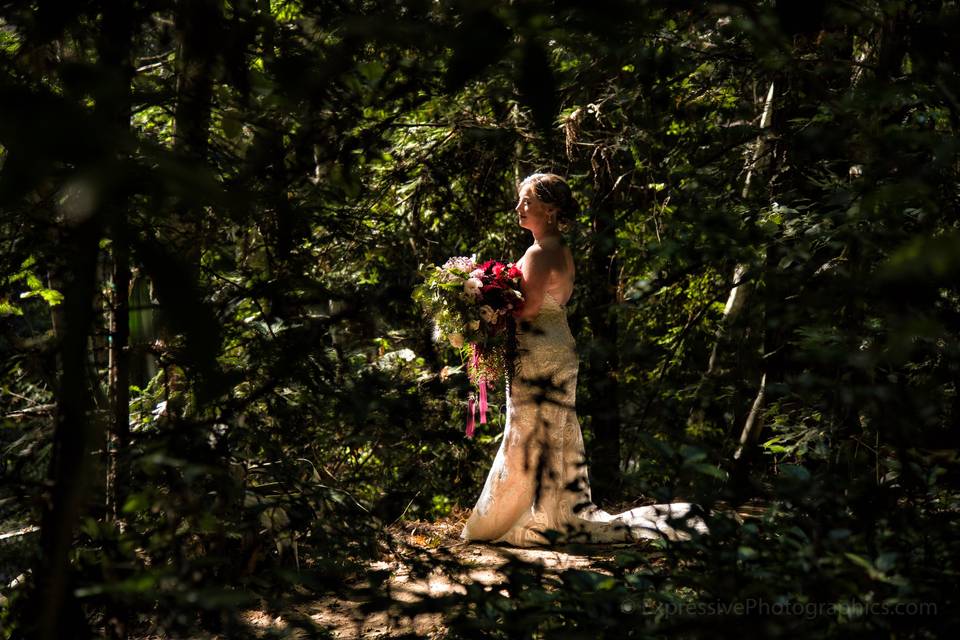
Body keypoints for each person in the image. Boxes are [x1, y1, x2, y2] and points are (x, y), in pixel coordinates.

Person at [460, 172, 708, 547]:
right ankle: (540, 509)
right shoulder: (558, 248)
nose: (519, 207)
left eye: (526, 201)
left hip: (538, 348)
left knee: (527, 430)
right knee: (549, 429)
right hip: (556, 343)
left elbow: (525, 310)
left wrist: (482, 306)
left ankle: (523, 516)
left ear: (550, 208)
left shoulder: (540, 253)